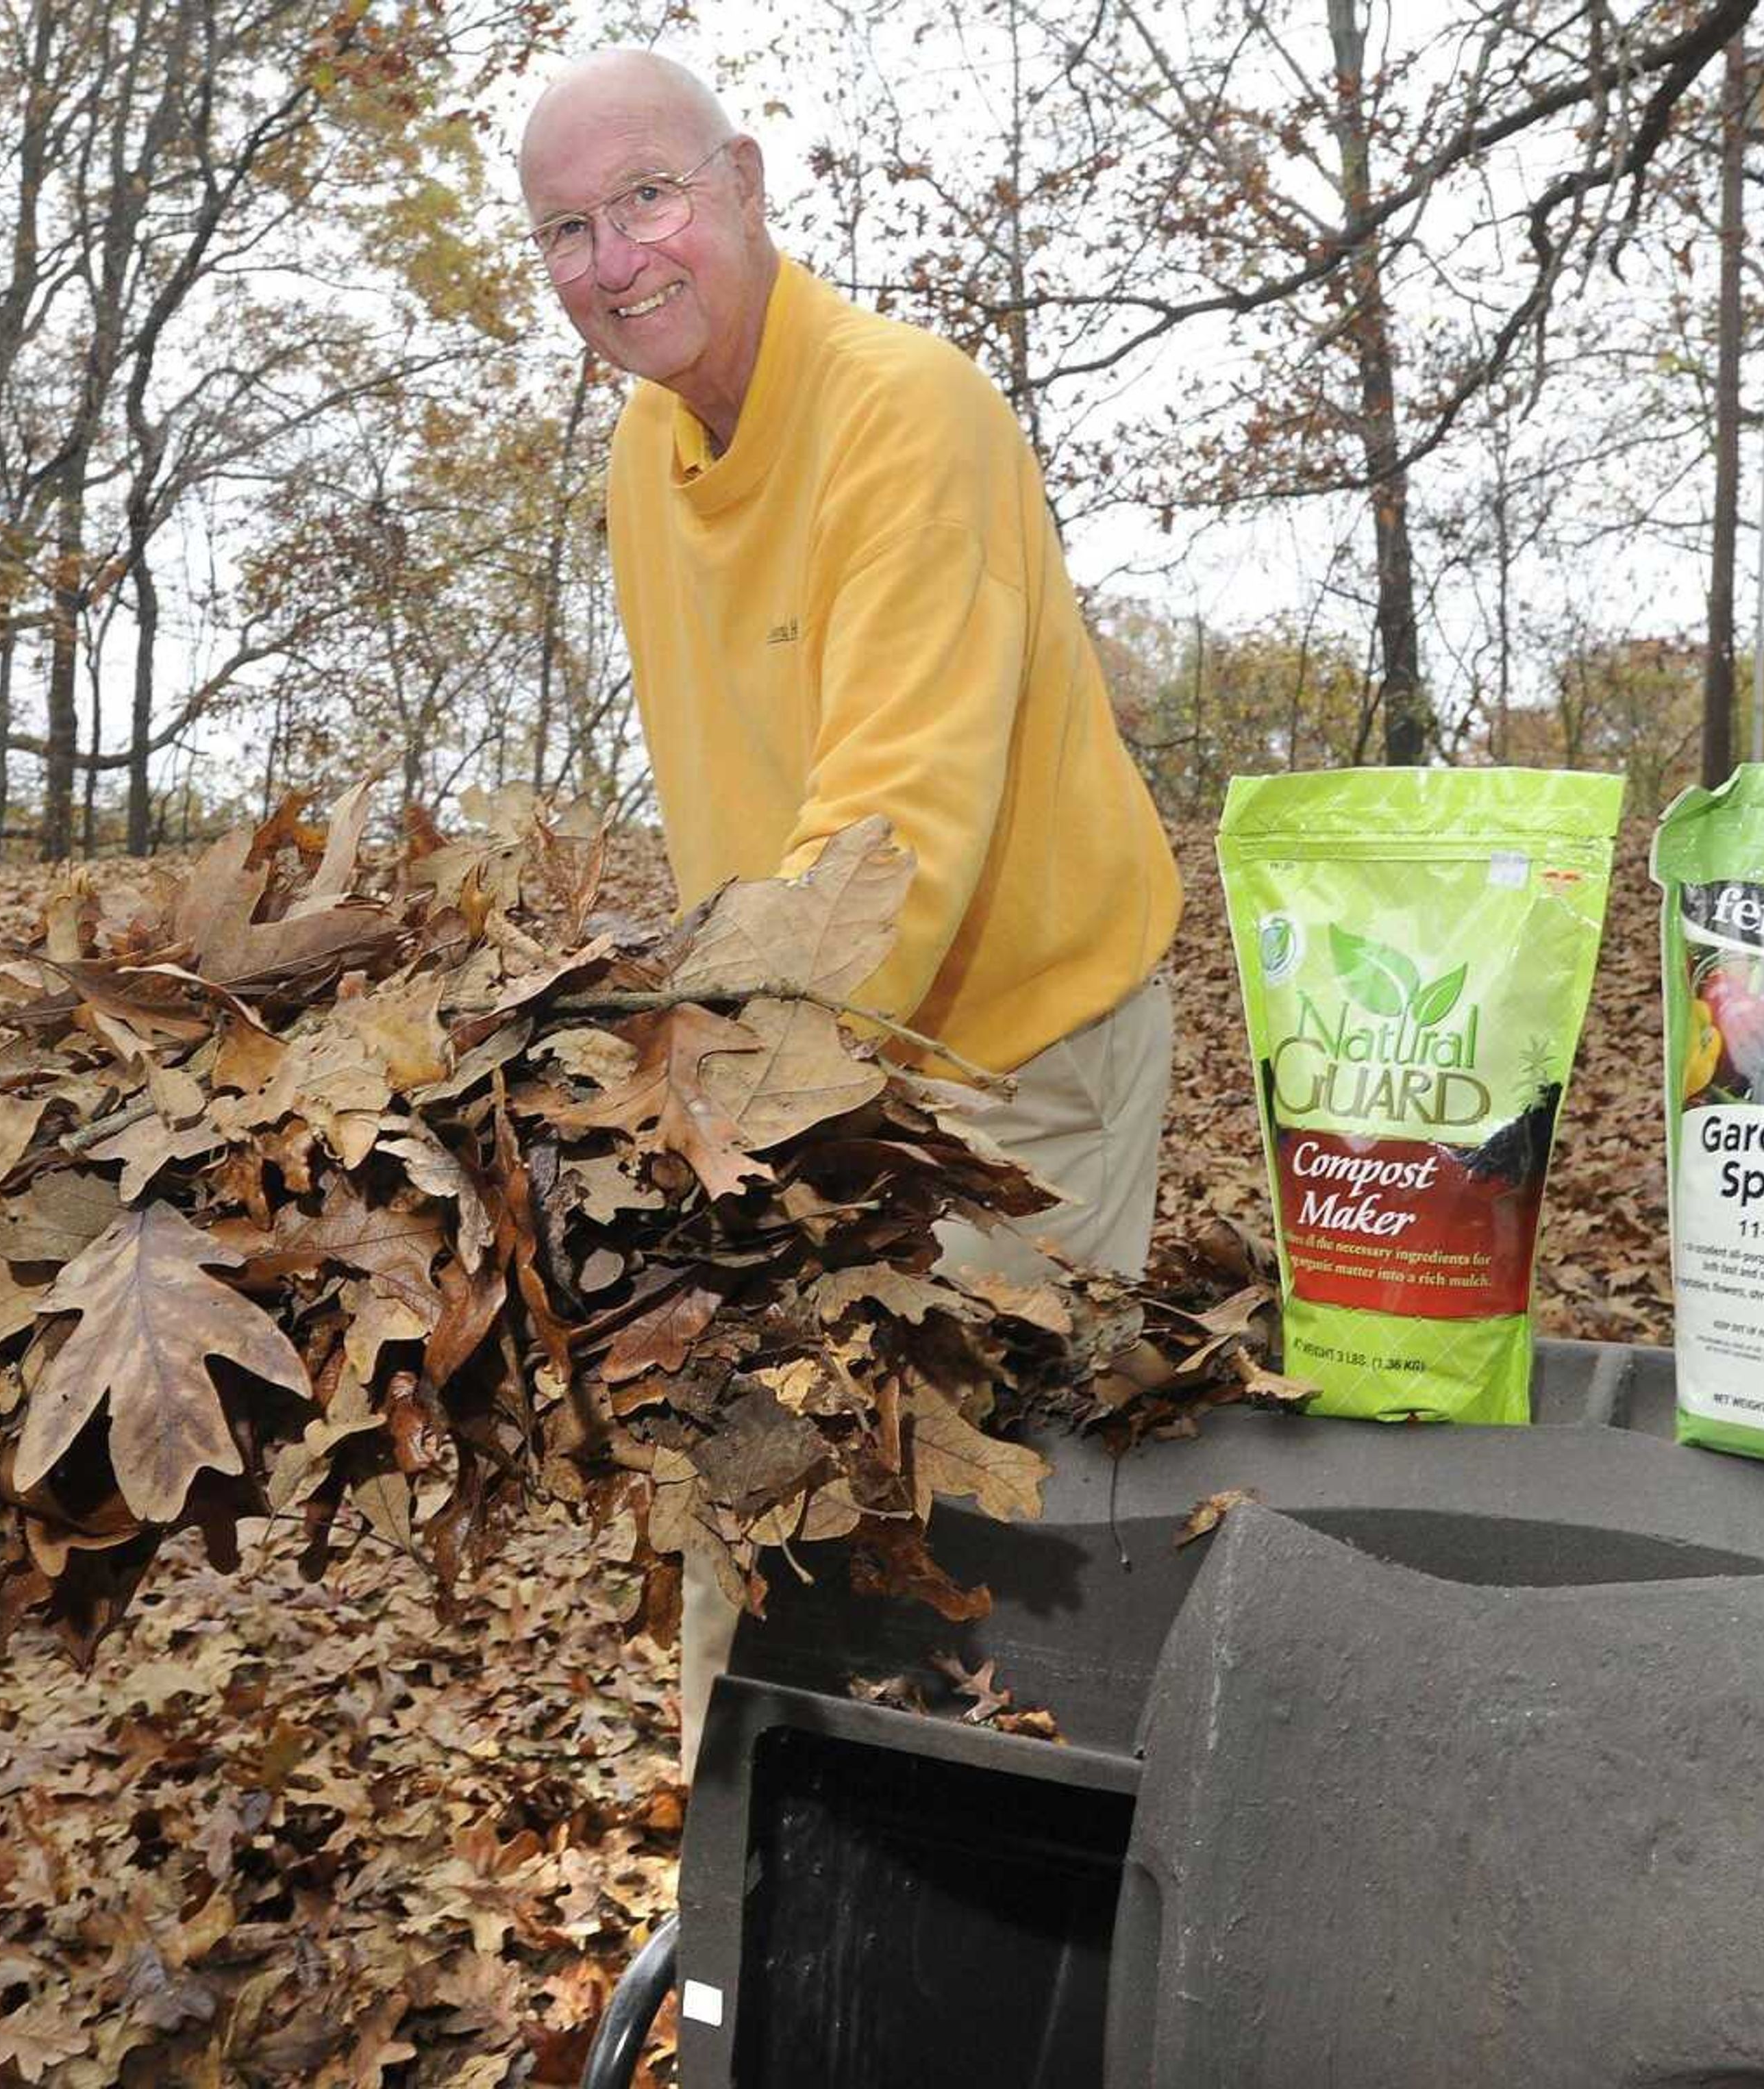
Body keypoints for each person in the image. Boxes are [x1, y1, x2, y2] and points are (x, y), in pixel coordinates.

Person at [518, 49, 1184, 1778]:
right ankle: (762, 1906)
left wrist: (705, 1083)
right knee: (750, 1497)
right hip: (809, 1048)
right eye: (568, 231)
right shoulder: (646, 462)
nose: (616, 258)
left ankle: (970, 1889)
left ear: (743, 183)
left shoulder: (906, 411)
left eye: (648, 198)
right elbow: (733, 819)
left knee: (958, 1515)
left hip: (1019, 1052)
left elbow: (894, 830)